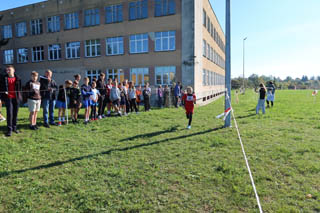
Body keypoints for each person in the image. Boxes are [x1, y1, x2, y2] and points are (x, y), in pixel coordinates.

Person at [0, 65, 22, 136]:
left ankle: (14, 128)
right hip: (8, 98)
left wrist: (20, 97)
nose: (8, 71)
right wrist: (4, 92)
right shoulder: (4, 78)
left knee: (15, 113)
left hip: (16, 98)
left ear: (13, 70)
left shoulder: (18, 78)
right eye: (7, 70)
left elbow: (20, 88)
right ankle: (9, 129)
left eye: (9, 70)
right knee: (9, 113)